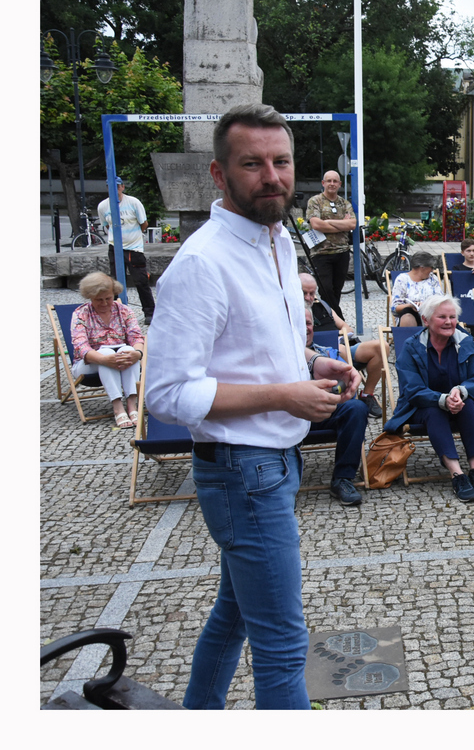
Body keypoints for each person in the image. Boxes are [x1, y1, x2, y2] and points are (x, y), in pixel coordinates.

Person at [145, 103, 361, 710]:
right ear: (219, 174)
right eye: (253, 164)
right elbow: (165, 394)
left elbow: (261, 347)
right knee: (283, 647)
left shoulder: (276, 240)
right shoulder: (201, 262)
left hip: (272, 461)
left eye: (282, 161)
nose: (272, 176)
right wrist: (283, 394)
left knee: (232, 617)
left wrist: (311, 366)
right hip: (243, 470)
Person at [384, 295, 474, 504]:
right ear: (426, 320)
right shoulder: (411, 347)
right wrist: (442, 399)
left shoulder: (464, 341)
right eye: (442, 317)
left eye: (452, 317)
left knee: (468, 404)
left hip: (457, 403)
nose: (449, 322)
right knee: (434, 411)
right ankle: (457, 474)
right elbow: (412, 390)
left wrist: (460, 391)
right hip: (419, 407)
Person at [299, 272, 385, 418]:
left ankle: (367, 394)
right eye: (304, 293)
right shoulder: (290, 312)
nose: (309, 298)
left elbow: (347, 328)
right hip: (316, 354)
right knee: (341, 350)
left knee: (381, 347)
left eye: (312, 293)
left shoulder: (323, 306)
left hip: (338, 347)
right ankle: (349, 396)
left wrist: (336, 338)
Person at [304, 306, 366, 506]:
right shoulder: (275, 357)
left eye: (308, 323)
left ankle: (343, 479)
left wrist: (336, 388)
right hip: (288, 416)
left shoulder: (326, 353)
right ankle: (280, 484)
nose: (306, 329)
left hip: (323, 411)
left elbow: (345, 386)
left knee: (356, 408)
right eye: (299, 323)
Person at [70, 271, 145, 428]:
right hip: (88, 363)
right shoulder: (80, 314)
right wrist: (104, 359)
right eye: (99, 300)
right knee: (106, 353)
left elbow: (137, 338)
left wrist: (137, 354)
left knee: (127, 350)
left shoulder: (124, 310)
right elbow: (81, 346)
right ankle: (117, 406)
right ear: (90, 297)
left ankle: (132, 404)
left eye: (108, 298)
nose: (104, 303)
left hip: (121, 358)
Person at [98, 176, 155, 324]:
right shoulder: (103, 206)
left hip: (134, 248)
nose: (114, 190)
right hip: (115, 247)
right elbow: (106, 225)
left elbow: (144, 223)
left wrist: (134, 237)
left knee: (141, 281)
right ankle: (117, 312)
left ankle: (150, 312)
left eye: (117, 187)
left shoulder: (133, 202)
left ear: (122, 187)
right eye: (110, 187)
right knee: (115, 282)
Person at [305, 170, 357, 317]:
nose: (332, 184)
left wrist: (327, 222)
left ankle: (329, 320)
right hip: (321, 253)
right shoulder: (315, 201)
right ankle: (339, 322)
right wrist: (342, 224)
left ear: (340, 184)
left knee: (336, 290)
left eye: (335, 181)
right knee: (325, 289)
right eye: (329, 181)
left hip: (342, 253)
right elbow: (316, 224)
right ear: (323, 183)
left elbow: (352, 224)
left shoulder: (344, 203)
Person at [391, 251, 444, 327]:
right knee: (407, 314)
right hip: (411, 316)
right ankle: (412, 337)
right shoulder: (402, 279)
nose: (432, 270)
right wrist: (411, 305)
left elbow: (440, 300)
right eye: (431, 267)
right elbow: (394, 308)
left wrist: (426, 305)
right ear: (422, 268)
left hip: (431, 315)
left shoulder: (432, 278)